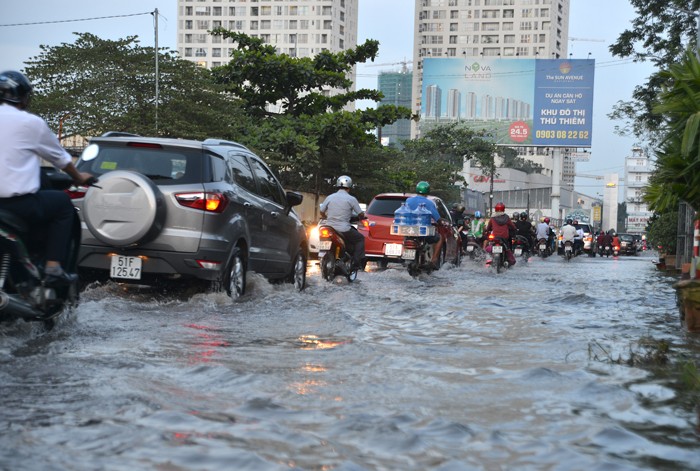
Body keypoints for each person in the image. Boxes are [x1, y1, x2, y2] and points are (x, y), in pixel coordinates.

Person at [0, 70, 93, 285]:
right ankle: (53, 267)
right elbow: (61, 159)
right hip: (17, 205)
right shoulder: (31, 123)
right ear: (22, 97)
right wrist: (79, 177)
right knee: (61, 203)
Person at [319, 175, 366, 270]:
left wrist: (326, 217)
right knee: (360, 239)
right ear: (349, 187)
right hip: (344, 229)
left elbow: (321, 211)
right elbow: (360, 214)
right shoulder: (351, 199)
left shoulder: (330, 197)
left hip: (329, 227)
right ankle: (356, 263)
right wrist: (362, 217)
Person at [405, 181, 444, 268]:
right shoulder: (429, 203)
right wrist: (440, 223)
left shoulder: (408, 200)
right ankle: (434, 260)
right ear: (428, 191)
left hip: (409, 231)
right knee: (439, 238)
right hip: (423, 232)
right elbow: (437, 218)